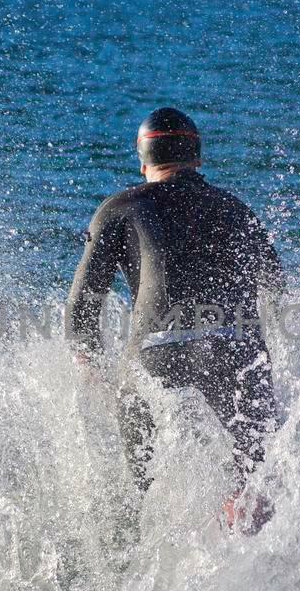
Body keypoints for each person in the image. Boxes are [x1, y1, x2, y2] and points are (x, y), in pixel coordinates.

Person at [65, 107, 284, 533]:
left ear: (143, 161)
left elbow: (82, 305)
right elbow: (274, 287)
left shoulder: (120, 207)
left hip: (154, 355)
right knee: (254, 489)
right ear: (197, 159)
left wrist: (89, 366)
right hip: (236, 351)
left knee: (143, 495)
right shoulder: (236, 209)